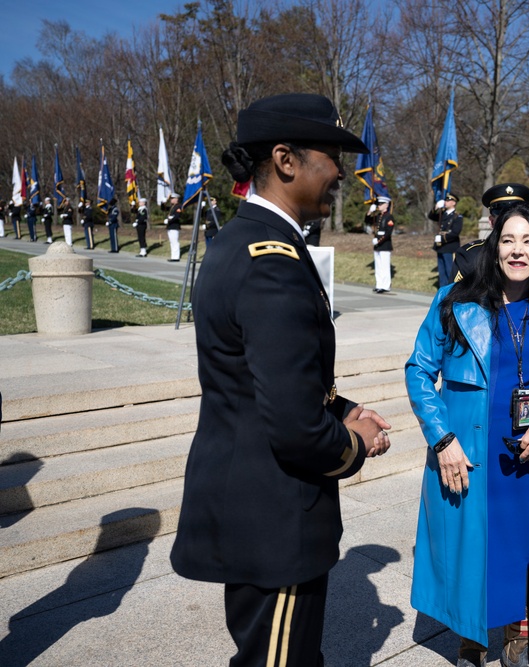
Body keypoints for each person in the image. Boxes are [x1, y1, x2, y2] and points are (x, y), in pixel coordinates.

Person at [170, 92, 393, 667]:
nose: (341, 172)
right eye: (332, 156)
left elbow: (263, 378)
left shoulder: (242, 240)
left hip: (252, 504)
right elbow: (294, 426)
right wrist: (356, 442)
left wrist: (341, 407)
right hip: (275, 517)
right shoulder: (273, 263)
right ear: (286, 160)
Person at [406, 203, 529, 667]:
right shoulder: (454, 302)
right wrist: (442, 439)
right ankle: (471, 638)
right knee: (471, 548)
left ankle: (518, 635)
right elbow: (419, 370)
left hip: (527, 457)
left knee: (520, 547)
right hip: (468, 452)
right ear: (493, 247)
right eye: (508, 240)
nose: (518, 251)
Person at [452, 182, 529, 283]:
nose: (511, 220)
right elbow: (455, 292)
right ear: (491, 221)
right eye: (504, 217)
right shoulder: (470, 256)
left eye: (517, 214)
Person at [428, 192, 462, 286]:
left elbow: (455, 232)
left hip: (450, 246)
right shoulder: (443, 214)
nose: (445, 202)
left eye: (448, 200)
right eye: (445, 200)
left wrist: (442, 238)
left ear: (453, 203)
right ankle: (443, 290)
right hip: (440, 247)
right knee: (441, 271)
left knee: (449, 270)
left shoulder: (457, 216)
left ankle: (451, 290)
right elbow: (431, 216)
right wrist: (436, 207)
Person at [372, 195, 394, 293]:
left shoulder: (389, 217)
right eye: (378, 204)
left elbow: (388, 232)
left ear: (386, 205)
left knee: (384, 266)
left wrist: (379, 240)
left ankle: (385, 286)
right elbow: (367, 221)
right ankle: (379, 284)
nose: (379, 206)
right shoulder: (378, 216)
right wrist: (370, 212)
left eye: (381, 204)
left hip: (385, 245)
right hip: (377, 245)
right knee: (378, 266)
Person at [165, 194, 182, 261]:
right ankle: (173, 256)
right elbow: (163, 208)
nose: (171, 200)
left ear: (176, 199)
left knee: (175, 242)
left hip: (174, 226)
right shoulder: (172, 206)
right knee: (172, 242)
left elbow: (177, 216)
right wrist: (163, 202)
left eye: (172, 198)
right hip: (170, 226)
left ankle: (176, 257)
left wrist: (169, 219)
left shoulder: (178, 206)